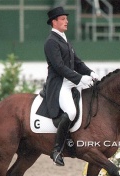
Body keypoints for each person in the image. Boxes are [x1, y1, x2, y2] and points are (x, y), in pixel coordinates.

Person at [43, 6, 100, 166]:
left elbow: (77, 62)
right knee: (71, 111)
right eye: (63, 19)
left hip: (71, 81)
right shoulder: (51, 42)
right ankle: (56, 150)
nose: (66, 21)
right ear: (54, 22)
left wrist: (90, 72)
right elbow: (59, 67)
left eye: (66, 18)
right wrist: (79, 79)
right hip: (60, 84)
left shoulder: (64, 39)